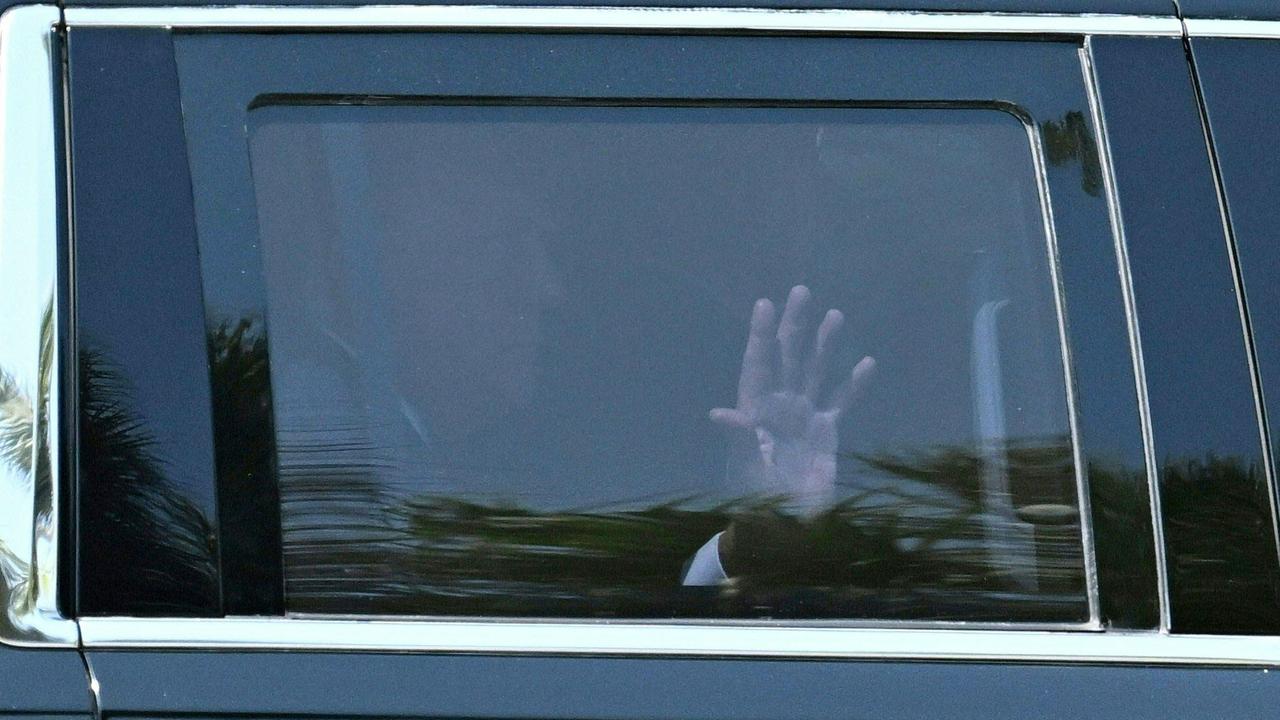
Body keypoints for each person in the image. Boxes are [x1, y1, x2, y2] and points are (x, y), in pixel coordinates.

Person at [684, 284, 875, 585]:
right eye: (764, 435)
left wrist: (805, 519)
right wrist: (748, 535)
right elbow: (677, 615)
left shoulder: (877, 562)